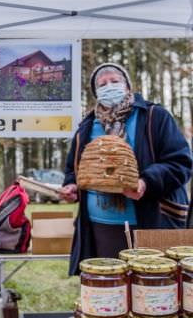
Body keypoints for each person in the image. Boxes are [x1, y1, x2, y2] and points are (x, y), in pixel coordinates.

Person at [60, 62, 192, 275]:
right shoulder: (86, 127)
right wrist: (71, 186)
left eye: (115, 81)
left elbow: (180, 163)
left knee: (151, 284)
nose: (109, 86)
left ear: (128, 86)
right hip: (101, 226)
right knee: (110, 286)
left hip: (150, 223)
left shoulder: (153, 116)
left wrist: (145, 182)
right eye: (102, 84)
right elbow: (73, 169)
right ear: (96, 93)